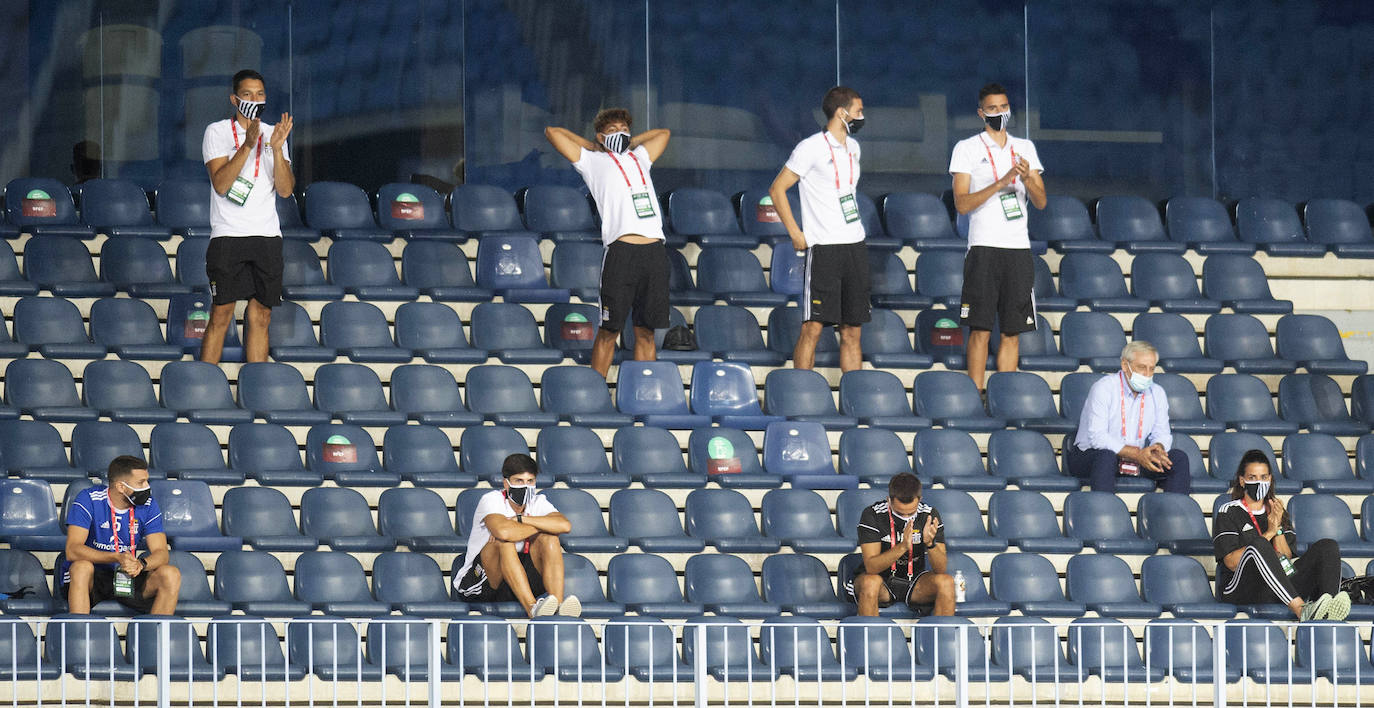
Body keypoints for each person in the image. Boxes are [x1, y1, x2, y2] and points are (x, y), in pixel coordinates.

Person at [545, 110, 672, 378]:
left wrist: (631, 140)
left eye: (624, 128)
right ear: (601, 136)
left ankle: (642, 391)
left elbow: (664, 134)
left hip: (654, 250)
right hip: (621, 251)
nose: (620, 133)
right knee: (609, 330)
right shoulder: (591, 161)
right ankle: (597, 391)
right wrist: (591, 144)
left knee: (646, 332)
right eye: (612, 129)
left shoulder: (640, 157)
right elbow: (552, 132)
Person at [949, 82, 1047, 392]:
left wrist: (1028, 177)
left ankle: (1006, 395)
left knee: (1012, 331)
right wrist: (1002, 181)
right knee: (980, 329)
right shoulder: (967, 148)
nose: (1000, 113)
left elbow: (1041, 201)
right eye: (992, 108)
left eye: (1004, 107)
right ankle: (974, 394)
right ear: (981, 113)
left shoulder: (1025, 147)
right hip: (983, 248)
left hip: (1018, 248)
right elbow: (962, 204)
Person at [768, 86, 870, 372]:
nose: (862, 117)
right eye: (858, 111)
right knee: (813, 327)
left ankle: (854, 400)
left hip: (855, 244)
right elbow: (777, 189)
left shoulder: (854, 148)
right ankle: (802, 395)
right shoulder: (810, 147)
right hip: (824, 247)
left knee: (852, 331)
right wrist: (795, 233)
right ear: (842, 112)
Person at [200, 68, 295, 365]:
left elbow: (285, 190)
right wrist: (247, 145)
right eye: (247, 94)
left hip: (266, 237)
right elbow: (221, 183)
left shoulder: (274, 133)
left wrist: (277, 151)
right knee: (221, 313)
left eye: (260, 93)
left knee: (262, 315)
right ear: (234, 99)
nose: (255, 99)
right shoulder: (216, 131)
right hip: (228, 235)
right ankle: (203, 389)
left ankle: (256, 390)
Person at [1213, 449, 1349, 621]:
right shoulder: (1229, 511)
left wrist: (1277, 528)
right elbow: (1231, 563)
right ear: (1242, 480)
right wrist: (1268, 533)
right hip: (1241, 588)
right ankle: (1301, 609)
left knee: (1327, 546)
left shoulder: (1277, 509)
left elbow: (1286, 558)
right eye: (1252, 477)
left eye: (1263, 477)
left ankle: (1327, 611)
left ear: (1270, 479)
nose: (1259, 482)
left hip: (1277, 587)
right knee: (1259, 545)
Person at [453, 454, 580, 618]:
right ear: (506, 483)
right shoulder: (492, 500)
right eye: (519, 481)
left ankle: (559, 607)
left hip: (518, 582)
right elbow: (504, 532)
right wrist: (541, 526)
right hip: (482, 583)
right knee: (503, 541)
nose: (525, 486)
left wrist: (521, 519)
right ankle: (533, 609)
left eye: (530, 481)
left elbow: (564, 525)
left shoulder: (538, 501)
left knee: (550, 538)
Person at [1067, 341, 1191, 493]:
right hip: (1094, 457)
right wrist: (1137, 454)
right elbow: (1098, 438)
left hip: (1136, 458)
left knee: (1178, 459)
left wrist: (1158, 448)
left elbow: (1162, 433)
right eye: (1141, 367)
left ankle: (1173, 514)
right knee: (1106, 457)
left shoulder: (1157, 392)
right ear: (1125, 365)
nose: (1147, 374)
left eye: (1151, 369)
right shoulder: (1104, 388)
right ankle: (1106, 514)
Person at [61, 456, 180, 615]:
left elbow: (161, 553)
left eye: (147, 481)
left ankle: (155, 637)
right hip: (93, 576)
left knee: (170, 574)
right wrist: (116, 557)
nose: (147, 487)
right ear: (120, 487)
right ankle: (80, 634)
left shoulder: (149, 504)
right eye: (141, 482)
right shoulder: (89, 498)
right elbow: (72, 550)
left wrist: (141, 564)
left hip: (127, 574)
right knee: (81, 567)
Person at [846, 473, 957, 616]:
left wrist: (930, 544)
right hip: (881, 581)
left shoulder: (929, 515)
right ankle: (871, 637)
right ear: (889, 500)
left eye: (911, 513)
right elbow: (871, 567)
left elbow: (941, 569)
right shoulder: (872, 514)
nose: (906, 518)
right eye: (899, 513)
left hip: (914, 581)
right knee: (870, 583)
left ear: (920, 500)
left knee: (946, 583)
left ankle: (942, 637)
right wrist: (903, 546)